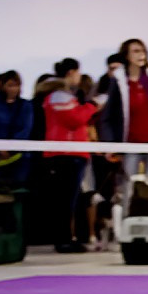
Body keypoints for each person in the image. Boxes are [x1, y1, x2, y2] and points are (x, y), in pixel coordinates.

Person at [99, 37, 148, 203]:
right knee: (130, 184)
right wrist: (110, 143)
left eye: (142, 51)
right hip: (130, 142)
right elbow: (109, 114)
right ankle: (128, 216)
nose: (141, 54)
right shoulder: (119, 80)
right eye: (135, 51)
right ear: (127, 56)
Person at [42, 57, 100, 253]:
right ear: (71, 72)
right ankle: (64, 240)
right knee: (65, 199)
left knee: (68, 199)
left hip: (69, 153)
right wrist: (92, 106)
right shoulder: (60, 95)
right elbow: (75, 119)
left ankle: (67, 238)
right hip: (66, 153)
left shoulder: (61, 95)